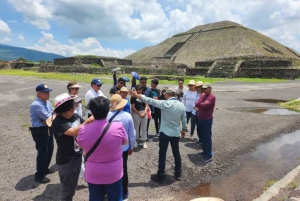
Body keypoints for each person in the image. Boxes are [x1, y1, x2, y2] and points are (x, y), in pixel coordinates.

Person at [129, 88, 187, 183]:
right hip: (176, 133)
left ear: (167, 95)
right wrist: (184, 129)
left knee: (162, 153)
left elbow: (150, 101)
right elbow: (184, 118)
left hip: (165, 132)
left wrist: (138, 96)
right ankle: (178, 173)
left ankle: (160, 175)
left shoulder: (165, 103)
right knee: (176, 152)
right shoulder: (181, 105)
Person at [77, 96, 128, 201]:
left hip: (93, 172)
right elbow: (125, 142)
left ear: (92, 111)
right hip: (114, 171)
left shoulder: (83, 130)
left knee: (95, 197)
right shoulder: (118, 127)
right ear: (107, 109)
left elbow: (81, 145)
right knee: (116, 197)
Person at [51, 93, 91, 200]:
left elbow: (86, 128)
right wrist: (88, 121)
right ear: (63, 110)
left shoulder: (74, 116)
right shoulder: (58, 122)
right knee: (68, 190)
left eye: (73, 107)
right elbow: (73, 132)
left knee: (73, 185)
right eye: (71, 108)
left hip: (77, 155)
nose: (74, 109)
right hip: (67, 160)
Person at [107, 94, 136, 201]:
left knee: (110, 169)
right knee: (123, 169)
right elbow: (131, 134)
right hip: (123, 148)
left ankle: (109, 192)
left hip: (109, 149)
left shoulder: (106, 115)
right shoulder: (127, 116)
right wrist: (131, 146)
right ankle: (124, 193)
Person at [29, 84, 54, 183]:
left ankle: (45, 169)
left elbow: (53, 114)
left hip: (47, 128)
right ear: (39, 94)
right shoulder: (36, 104)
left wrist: (49, 119)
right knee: (42, 153)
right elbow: (48, 117)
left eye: (48, 92)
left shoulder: (46, 102)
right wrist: (48, 119)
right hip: (40, 131)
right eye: (45, 93)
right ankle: (39, 175)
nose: (48, 94)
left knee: (50, 150)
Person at [195, 82, 216, 163]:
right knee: (203, 136)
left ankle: (209, 154)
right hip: (200, 118)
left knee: (207, 137)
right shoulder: (203, 95)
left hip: (207, 119)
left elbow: (204, 105)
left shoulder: (212, 97)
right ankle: (204, 151)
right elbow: (197, 103)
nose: (203, 90)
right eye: (203, 88)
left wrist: (200, 104)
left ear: (210, 88)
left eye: (205, 88)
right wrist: (200, 104)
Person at [131, 85, 149, 149]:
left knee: (144, 127)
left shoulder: (143, 96)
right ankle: (135, 141)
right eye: (138, 89)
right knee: (136, 127)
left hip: (144, 112)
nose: (140, 90)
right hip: (136, 112)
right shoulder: (133, 97)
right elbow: (133, 107)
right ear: (136, 90)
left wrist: (145, 112)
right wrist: (139, 114)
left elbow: (146, 105)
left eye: (141, 89)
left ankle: (144, 141)